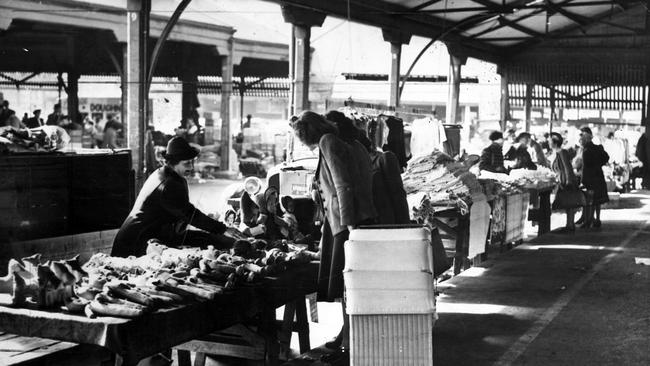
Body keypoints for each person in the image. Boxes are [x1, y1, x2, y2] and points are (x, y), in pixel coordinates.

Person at [291, 111, 376, 363]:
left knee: (348, 284)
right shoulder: (354, 143)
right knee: (350, 285)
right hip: (350, 220)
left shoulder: (328, 142)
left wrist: (349, 224)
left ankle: (349, 347)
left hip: (344, 222)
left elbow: (342, 185)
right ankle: (347, 336)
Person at [111, 137, 234, 257]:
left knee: (212, 240)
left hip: (152, 235)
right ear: (173, 163)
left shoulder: (164, 173)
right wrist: (222, 229)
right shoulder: (169, 183)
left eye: (192, 162)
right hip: (135, 245)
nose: (191, 167)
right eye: (186, 163)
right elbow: (189, 214)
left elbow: (182, 212)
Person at [326, 110, 409, 225]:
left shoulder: (384, 159)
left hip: (382, 225)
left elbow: (399, 197)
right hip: (358, 225)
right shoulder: (342, 164)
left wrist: (405, 228)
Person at [575, 127, 609, 228]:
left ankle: (588, 220)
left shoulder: (586, 150)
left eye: (581, 138)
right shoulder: (598, 148)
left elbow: (585, 168)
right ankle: (597, 219)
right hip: (598, 176)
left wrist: (582, 181)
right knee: (597, 200)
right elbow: (606, 158)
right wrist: (598, 165)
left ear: (585, 139)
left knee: (589, 201)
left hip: (590, 178)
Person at [549, 132, 582, 233]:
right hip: (561, 179)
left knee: (569, 202)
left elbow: (567, 167)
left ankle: (570, 225)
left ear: (555, 142)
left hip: (566, 180)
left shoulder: (562, 152)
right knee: (567, 203)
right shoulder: (555, 153)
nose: (548, 142)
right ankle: (569, 224)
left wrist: (568, 181)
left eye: (549, 140)